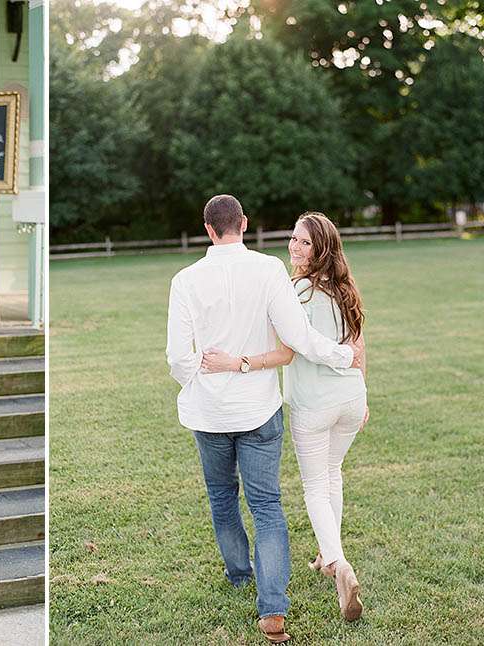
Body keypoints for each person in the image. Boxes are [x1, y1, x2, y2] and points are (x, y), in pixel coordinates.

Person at [165, 195, 363, 644]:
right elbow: (298, 339)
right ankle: (273, 610)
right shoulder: (270, 269)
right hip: (258, 409)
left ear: (208, 229)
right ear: (244, 224)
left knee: (221, 496)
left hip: (210, 412)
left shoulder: (185, 280)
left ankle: (240, 574)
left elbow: (178, 358)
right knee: (267, 507)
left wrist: (200, 379)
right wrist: (342, 356)